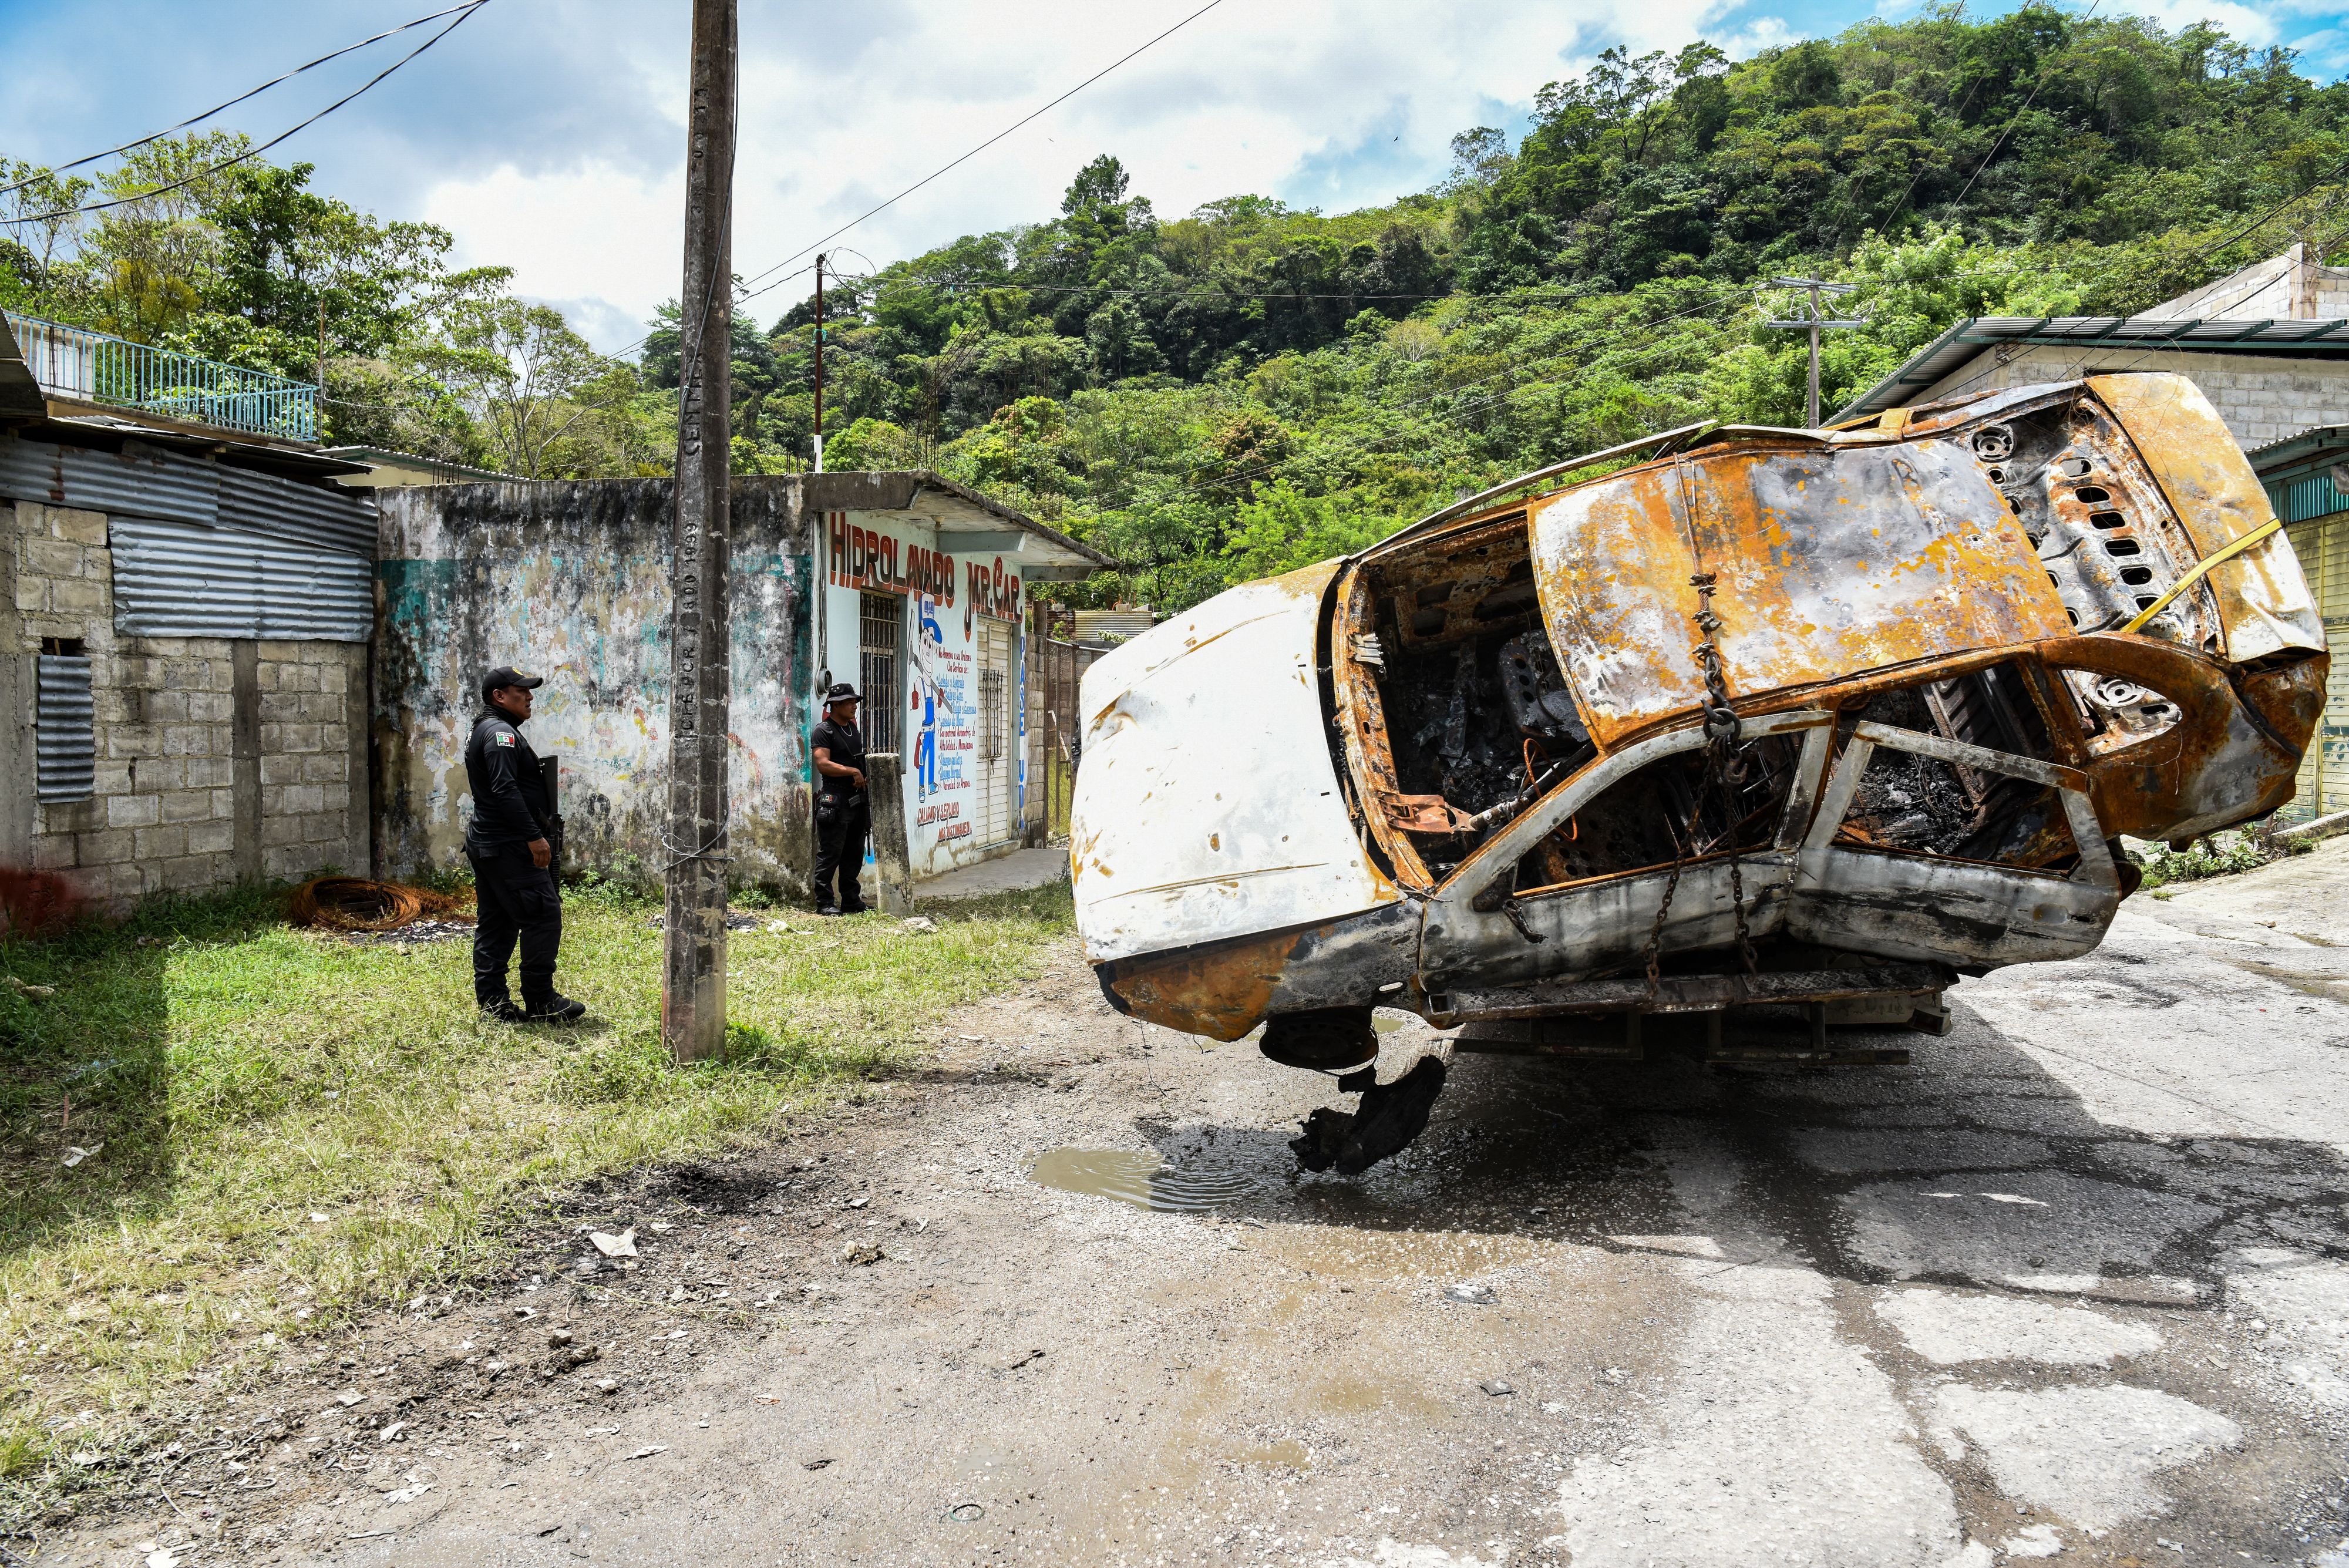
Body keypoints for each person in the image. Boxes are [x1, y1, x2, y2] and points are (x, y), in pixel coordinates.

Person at [465, 665, 587, 1023]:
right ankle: (541, 999)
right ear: (499, 696)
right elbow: (505, 789)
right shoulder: (500, 734)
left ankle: (494, 1004)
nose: (530, 696)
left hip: (492, 843)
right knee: (543, 913)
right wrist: (534, 837)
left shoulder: (487, 730)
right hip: (509, 845)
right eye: (522, 691)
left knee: (498, 920)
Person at [811, 681, 869, 916]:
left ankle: (851, 901)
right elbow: (823, 764)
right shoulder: (823, 731)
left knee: (854, 852)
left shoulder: (852, 728)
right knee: (831, 852)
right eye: (848, 702)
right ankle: (824, 902)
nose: (854, 706)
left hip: (856, 799)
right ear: (835, 705)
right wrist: (853, 772)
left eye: (855, 702)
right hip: (835, 798)